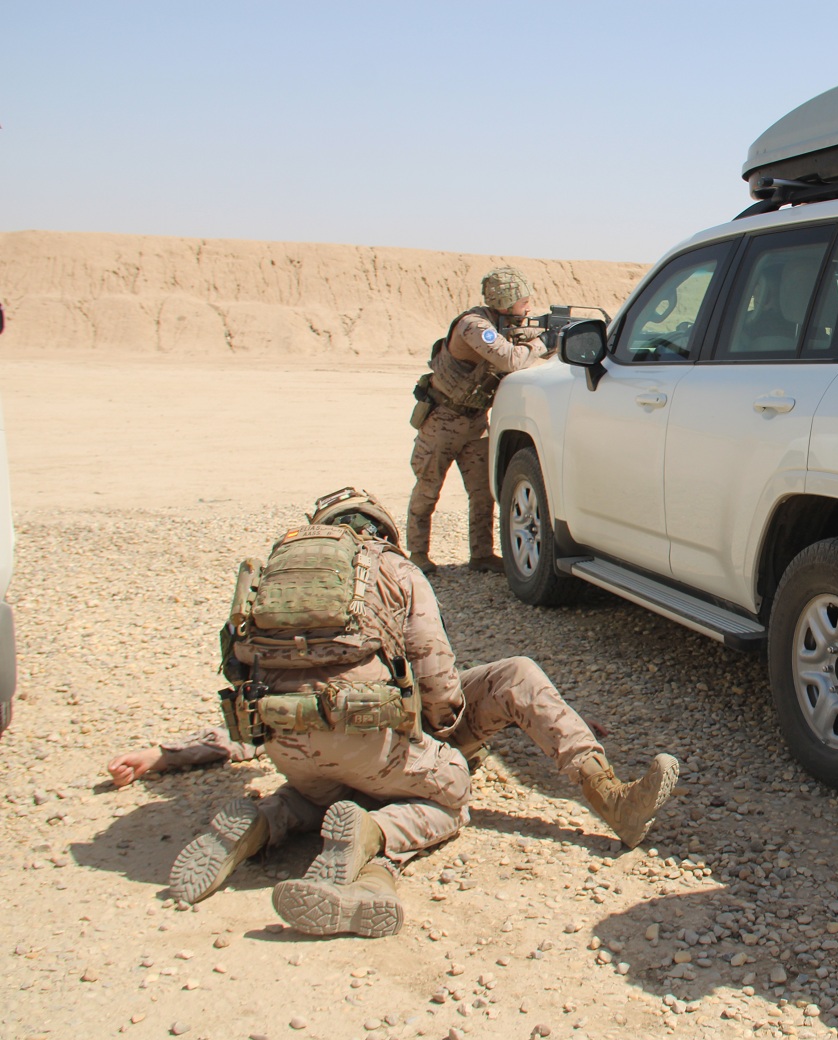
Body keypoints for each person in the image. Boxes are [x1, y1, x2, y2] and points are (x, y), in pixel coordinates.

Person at [147, 488, 678, 937]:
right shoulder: (391, 568)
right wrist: (441, 736)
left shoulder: (269, 581)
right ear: (381, 529)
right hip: (372, 745)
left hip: (291, 750)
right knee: (454, 785)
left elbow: (243, 687)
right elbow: (439, 681)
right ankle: (606, 800)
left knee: (318, 791)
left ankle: (263, 822)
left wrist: (172, 754)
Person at [408, 266, 551, 574]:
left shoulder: (504, 326)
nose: (528, 308)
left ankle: (482, 554)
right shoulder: (474, 326)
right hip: (443, 420)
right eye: (524, 302)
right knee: (428, 488)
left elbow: (522, 345)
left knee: (483, 492)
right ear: (506, 302)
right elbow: (510, 359)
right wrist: (544, 341)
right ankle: (417, 553)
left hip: (474, 422)